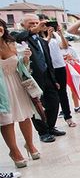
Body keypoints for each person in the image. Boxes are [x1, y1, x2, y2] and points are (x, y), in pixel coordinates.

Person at [13, 14, 63, 142]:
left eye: (37, 22)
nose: (35, 25)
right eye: (31, 23)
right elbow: (18, 37)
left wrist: (54, 80)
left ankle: (50, 127)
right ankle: (43, 132)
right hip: (33, 78)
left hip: (48, 77)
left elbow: (49, 61)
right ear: (23, 25)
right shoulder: (20, 38)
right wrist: (34, 30)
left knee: (54, 102)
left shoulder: (41, 41)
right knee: (37, 106)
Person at [0, 19, 40, 168]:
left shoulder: (11, 44)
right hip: (1, 88)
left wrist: (25, 58)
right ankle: (14, 151)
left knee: (24, 116)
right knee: (6, 120)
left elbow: (22, 66)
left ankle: (29, 145)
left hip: (16, 83)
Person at [44, 22, 76, 128]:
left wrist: (60, 33)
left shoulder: (55, 35)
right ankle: (50, 123)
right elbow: (44, 46)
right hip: (48, 69)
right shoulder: (40, 38)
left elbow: (65, 46)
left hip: (60, 67)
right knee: (51, 96)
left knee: (63, 93)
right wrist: (48, 36)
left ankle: (68, 117)